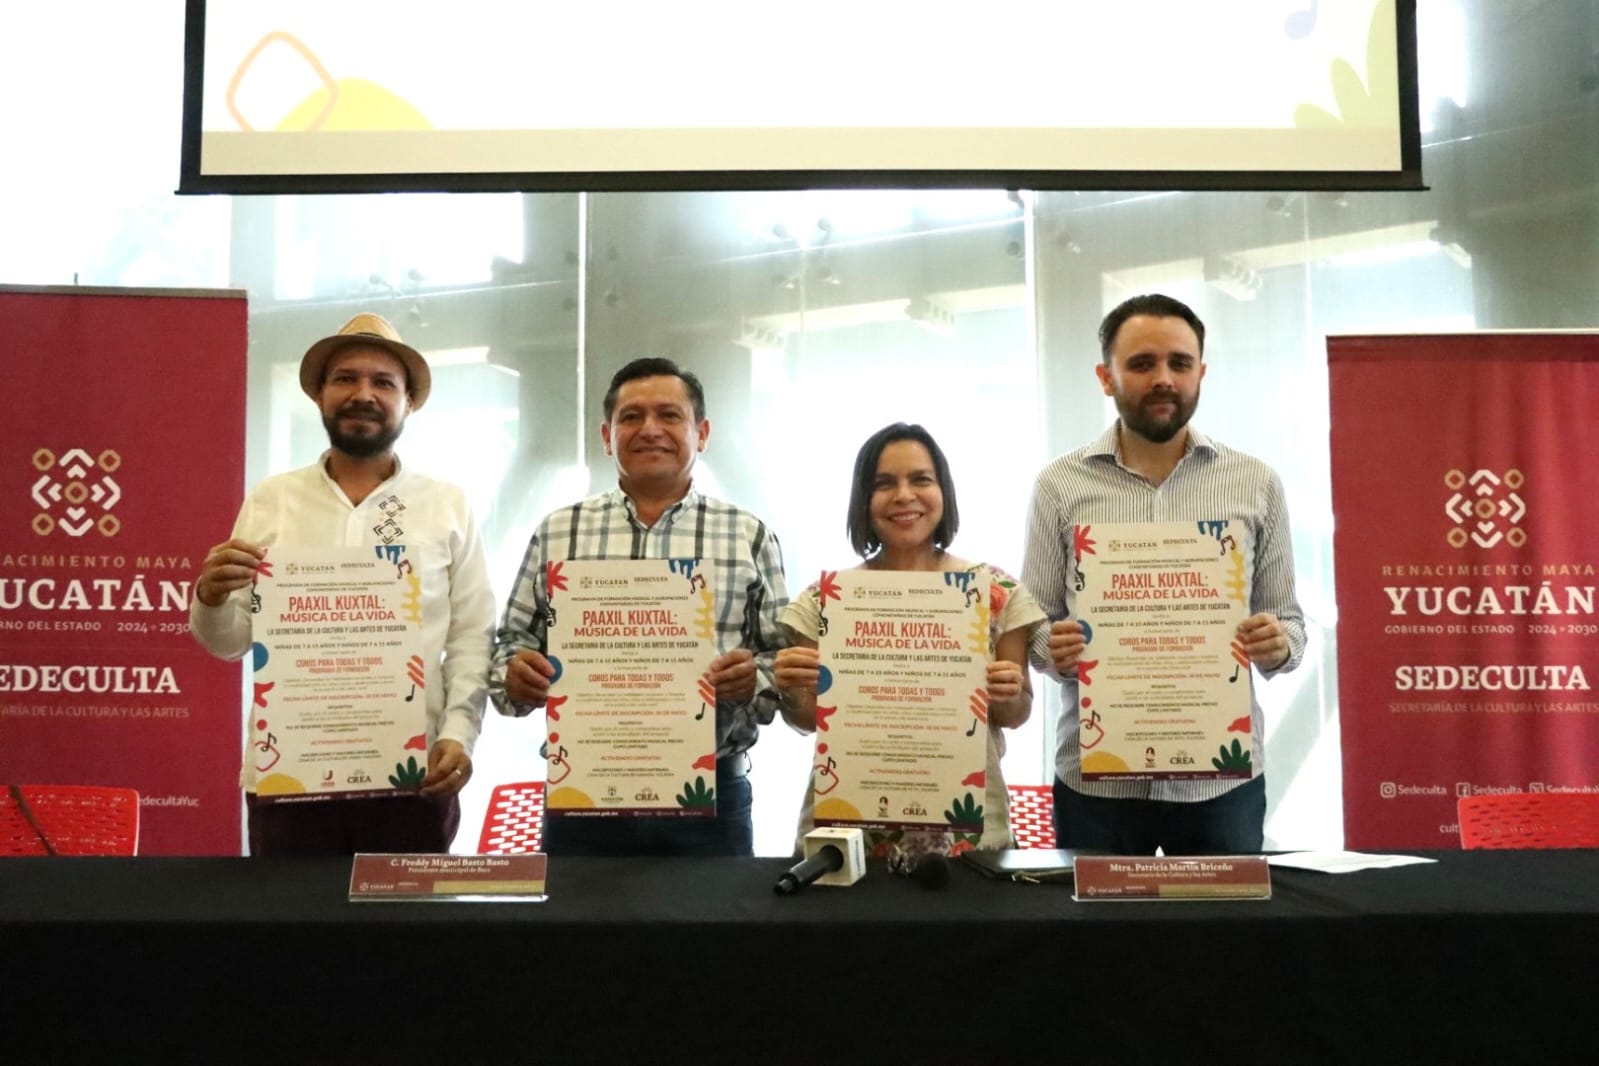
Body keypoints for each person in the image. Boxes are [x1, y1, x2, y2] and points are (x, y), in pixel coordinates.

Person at [190, 312, 495, 856]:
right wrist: (210, 598)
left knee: (406, 916)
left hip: (414, 775)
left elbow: (472, 635)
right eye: (346, 379)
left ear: (409, 402)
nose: (363, 394)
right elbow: (229, 642)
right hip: (290, 776)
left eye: (383, 383)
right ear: (320, 396)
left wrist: (458, 735)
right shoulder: (272, 499)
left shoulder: (447, 505)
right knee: (291, 915)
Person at [1022, 293, 1305, 855]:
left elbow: (1291, 626)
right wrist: (1052, 649)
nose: (1163, 379)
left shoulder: (1256, 483)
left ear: (1201, 373)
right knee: (1096, 917)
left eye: (1179, 363)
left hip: (1220, 786)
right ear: (1106, 377)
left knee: (1220, 917)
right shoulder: (1059, 486)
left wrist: (1277, 645)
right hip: (1096, 783)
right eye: (1142, 363)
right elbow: (1033, 628)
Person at [490, 357, 788, 856]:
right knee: (576, 914)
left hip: (711, 803)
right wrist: (516, 677)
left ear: (702, 433)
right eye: (631, 417)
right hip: (582, 801)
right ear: (607, 436)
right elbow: (511, 646)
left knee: (718, 914)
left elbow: (785, 661)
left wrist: (752, 681)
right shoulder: (558, 532)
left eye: (669, 415)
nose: (650, 429)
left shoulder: (748, 535)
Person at [773, 423, 1046, 862]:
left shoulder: (995, 592)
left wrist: (1009, 692)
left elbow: (1015, 715)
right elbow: (806, 719)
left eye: (920, 479)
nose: (903, 496)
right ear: (863, 500)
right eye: (884, 484)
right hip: (848, 831)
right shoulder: (825, 600)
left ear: (944, 491)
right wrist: (791, 688)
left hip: (967, 832)